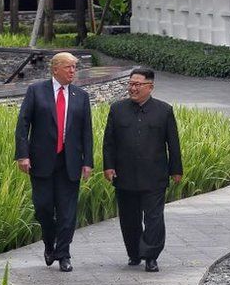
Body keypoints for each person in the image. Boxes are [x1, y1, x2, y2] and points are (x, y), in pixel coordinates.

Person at [15, 52, 94, 273]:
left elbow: (86, 132)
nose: (73, 71)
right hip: (41, 162)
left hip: (70, 163)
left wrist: (87, 161)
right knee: (43, 208)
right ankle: (50, 243)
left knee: (68, 212)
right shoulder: (36, 91)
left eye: (75, 67)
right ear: (56, 69)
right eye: (69, 67)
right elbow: (23, 125)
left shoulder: (81, 95)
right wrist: (23, 155)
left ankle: (64, 254)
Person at [103, 67, 182, 273]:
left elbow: (173, 143)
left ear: (150, 87)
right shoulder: (117, 109)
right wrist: (109, 166)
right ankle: (134, 253)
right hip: (124, 173)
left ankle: (151, 256)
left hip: (154, 175)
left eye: (138, 84)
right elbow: (109, 142)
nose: (133, 88)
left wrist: (176, 169)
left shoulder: (164, 110)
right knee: (129, 218)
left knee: (154, 217)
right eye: (130, 84)